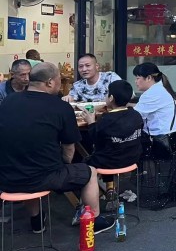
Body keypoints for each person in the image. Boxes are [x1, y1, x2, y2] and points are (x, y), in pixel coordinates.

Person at [0, 63, 114, 234]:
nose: (60, 84)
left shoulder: (8, 101)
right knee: (90, 172)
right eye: (59, 79)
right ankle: (93, 222)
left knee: (28, 170)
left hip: (7, 177)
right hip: (44, 177)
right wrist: (63, 166)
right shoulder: (61, 107)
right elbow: (69, 149)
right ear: (50, 82)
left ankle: (37, 222)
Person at [78, 80, 144, 212]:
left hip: (110, 162)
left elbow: (95, 139)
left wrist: (91, 122)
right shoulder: (136, 115)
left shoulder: (106, 119)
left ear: (111, 98)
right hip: (132, 158)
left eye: (107, 93)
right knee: (109, 149)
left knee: (85, 162)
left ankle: (86, 205)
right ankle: (110, 189)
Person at [133, 63, 176, 210]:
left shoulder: (153, 94)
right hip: (173, 136)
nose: (136, 81)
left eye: (138, 78)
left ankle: (133, 183)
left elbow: (135, 116)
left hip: (165, 139)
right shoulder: (159, 89)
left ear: (149, 78)